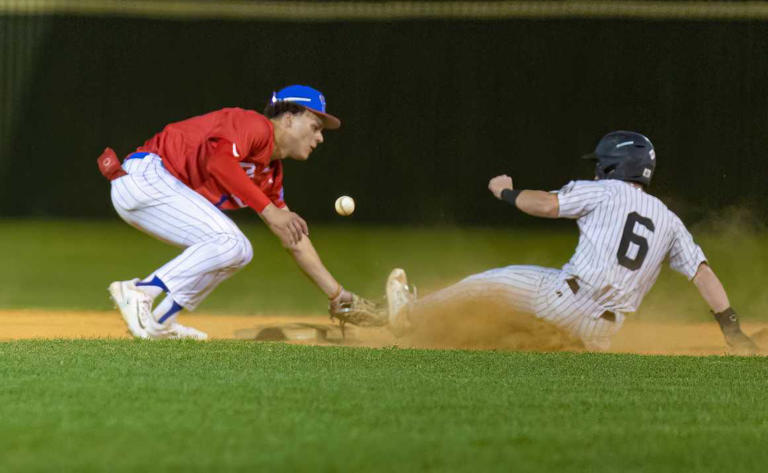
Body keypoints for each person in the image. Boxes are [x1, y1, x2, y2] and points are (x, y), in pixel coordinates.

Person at [385, 131, 758, 354]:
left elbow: (547, 205)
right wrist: (731, 328)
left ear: (613, 166)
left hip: (563, 297)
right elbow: (702, 273)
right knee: (515, 330)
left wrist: (506, 192)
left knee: (489, 283)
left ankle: (409, 317)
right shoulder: (670, 220)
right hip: (602, 333)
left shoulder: (602, 191)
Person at [98, 85, 360, 339]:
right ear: (289, 119)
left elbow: (294, 240)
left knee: (240, 251)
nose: (320, 137)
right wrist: (269, 211)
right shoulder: (254, 125)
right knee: (231, 242)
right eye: (315, 126)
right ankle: (140, 292)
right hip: (144, 177)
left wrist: (338, 295)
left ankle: (160, 321)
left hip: (154, 190)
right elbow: (219, 162)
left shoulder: (269, 174)